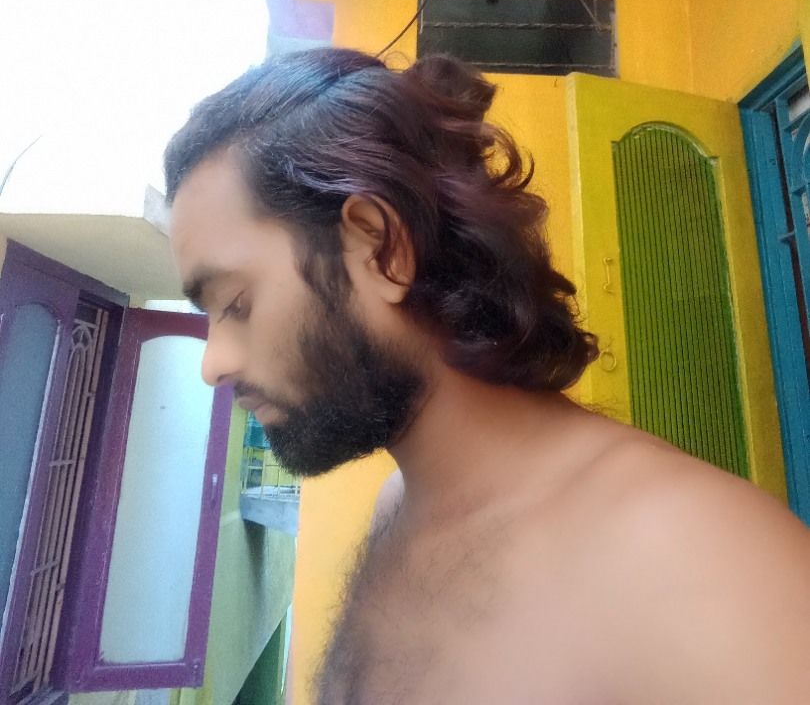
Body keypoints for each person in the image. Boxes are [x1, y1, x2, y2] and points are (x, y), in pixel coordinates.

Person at [164, 46, 810, 704]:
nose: (214, 365)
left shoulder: (697, 561)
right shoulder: (398, 508)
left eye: (235, 304)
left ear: (382, 249)